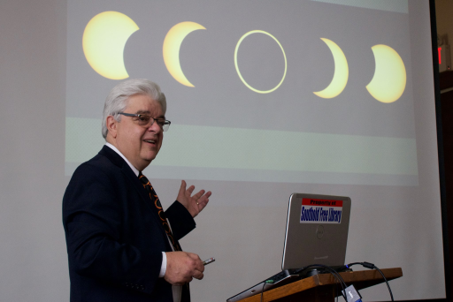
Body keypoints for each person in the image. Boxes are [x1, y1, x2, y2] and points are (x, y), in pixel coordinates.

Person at [63, 79, 212, 302]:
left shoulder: (129, 176)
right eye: (143, 118)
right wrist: (164, 265)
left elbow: (133, 235)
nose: (156, 128)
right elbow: (90, 253)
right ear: (113, 125)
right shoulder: (94, 174)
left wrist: (177, 218)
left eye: (160, 121)